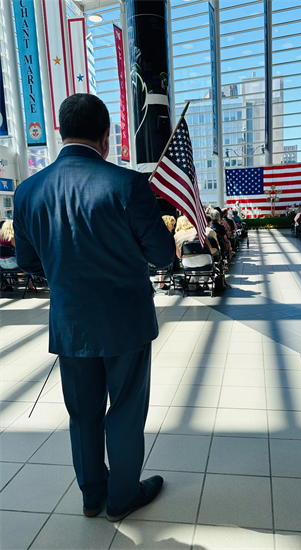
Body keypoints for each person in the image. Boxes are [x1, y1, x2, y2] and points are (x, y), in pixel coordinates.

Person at [13, 94, 176, 522]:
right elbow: (162, 257)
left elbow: (29, 263)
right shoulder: (127, 185)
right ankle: (122, 496)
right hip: (126, 323)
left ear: (60, 134)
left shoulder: (28, 192)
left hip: (70, 324)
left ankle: (91, 494)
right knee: (124, 409)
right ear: (106, 137)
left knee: (82, 413)